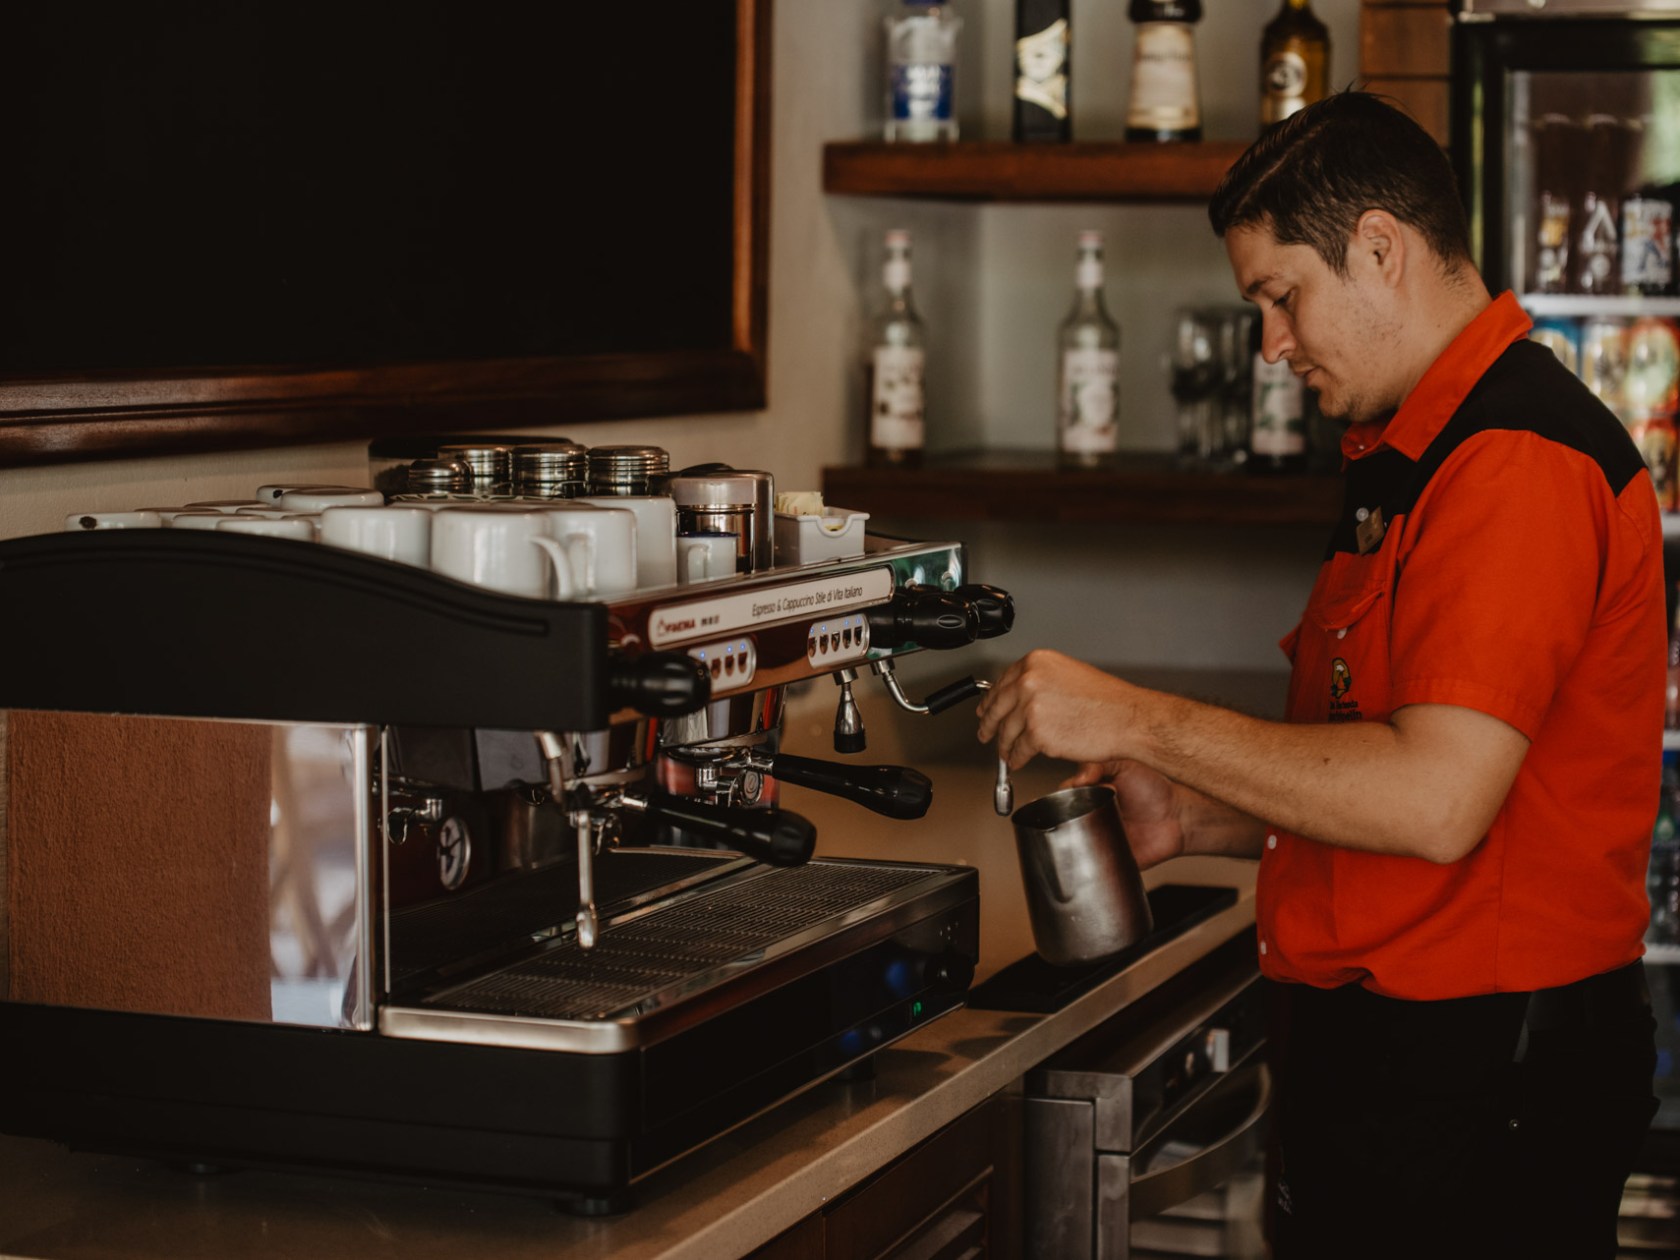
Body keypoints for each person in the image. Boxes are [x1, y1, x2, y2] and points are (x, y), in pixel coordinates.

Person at [977, 91, 1663, 1258]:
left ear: (1380, 249)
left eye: (1281, 296)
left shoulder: (1513, 462)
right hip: (1412, 1062)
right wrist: (1196, 812)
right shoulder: (1417, 454)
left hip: (1481, 1081)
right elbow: (1385, 772)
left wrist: (1133, 717)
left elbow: (1434, 800)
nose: (1272, 346)